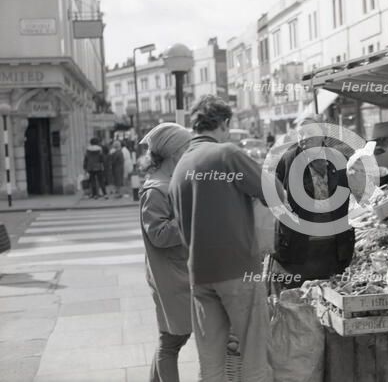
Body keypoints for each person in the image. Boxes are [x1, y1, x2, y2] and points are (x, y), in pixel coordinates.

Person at [169, 94, 280, 382]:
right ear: (225, 123)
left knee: (211, 364)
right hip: (238, 271)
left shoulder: (180, 167)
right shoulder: (226, 154)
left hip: (200, 275)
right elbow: (274, 192)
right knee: (254, 355)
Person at [268, 115, 369, 290]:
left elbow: (361, 191)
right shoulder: (287, 160)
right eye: (300, 134)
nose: (303, 138)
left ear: (322, 135)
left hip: (332, 248)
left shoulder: (340, 160)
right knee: (298, 297)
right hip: (298, 247)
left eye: (309, 132)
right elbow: (271, 196)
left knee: (329, 296)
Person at [139, 123, 193, 382]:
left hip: (177, 271)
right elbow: (158, 235)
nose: (189, 152)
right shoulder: (156, 189)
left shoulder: (168, 182)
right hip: (169, 277)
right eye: (186, 147)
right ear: (173, 152)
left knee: (172, 337)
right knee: (172, 340)